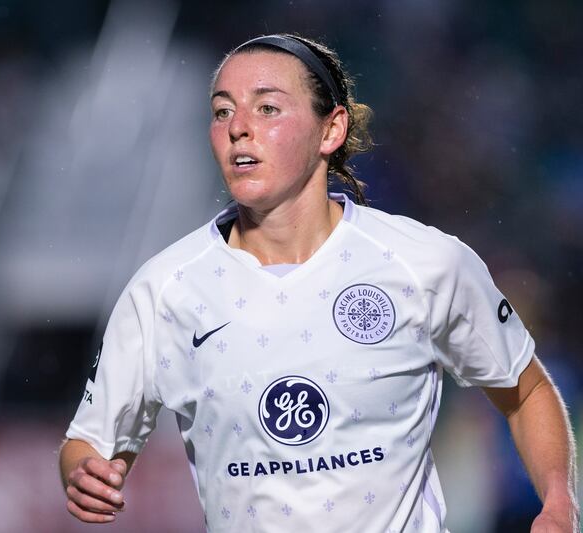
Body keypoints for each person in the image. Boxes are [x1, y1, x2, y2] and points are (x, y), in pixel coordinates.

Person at [59, 33, 579, 532]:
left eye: (267, 108)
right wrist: (83, 475)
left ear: (330, 131)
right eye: (222, 111)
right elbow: (89, 443)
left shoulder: (425, 263)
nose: (239, 126)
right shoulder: (163, 291)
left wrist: (558, 503)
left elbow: (525, 387)